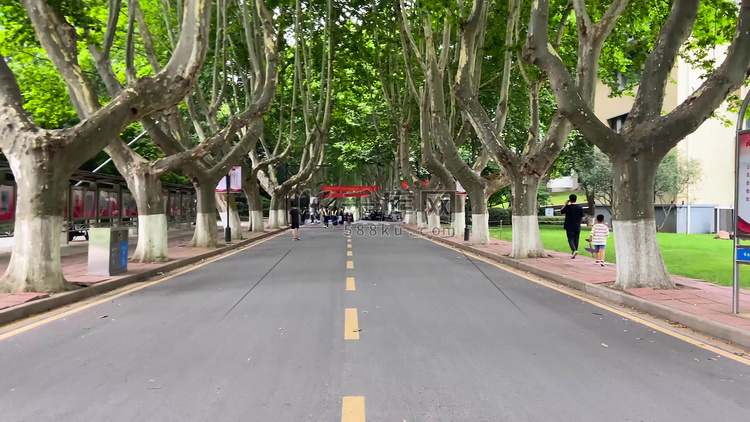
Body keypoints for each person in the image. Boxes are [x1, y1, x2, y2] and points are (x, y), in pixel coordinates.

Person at [560, 194, 584, 258]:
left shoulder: (568, 207)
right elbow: (582, 217)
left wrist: (565, 204)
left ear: (569, 200)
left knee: (570, 239)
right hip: (577, 226)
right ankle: (575, 250)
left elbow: (561, 211)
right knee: (576, 239)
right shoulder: (579, 208)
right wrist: (579, 222)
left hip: (569, 225)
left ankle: (574, 250)